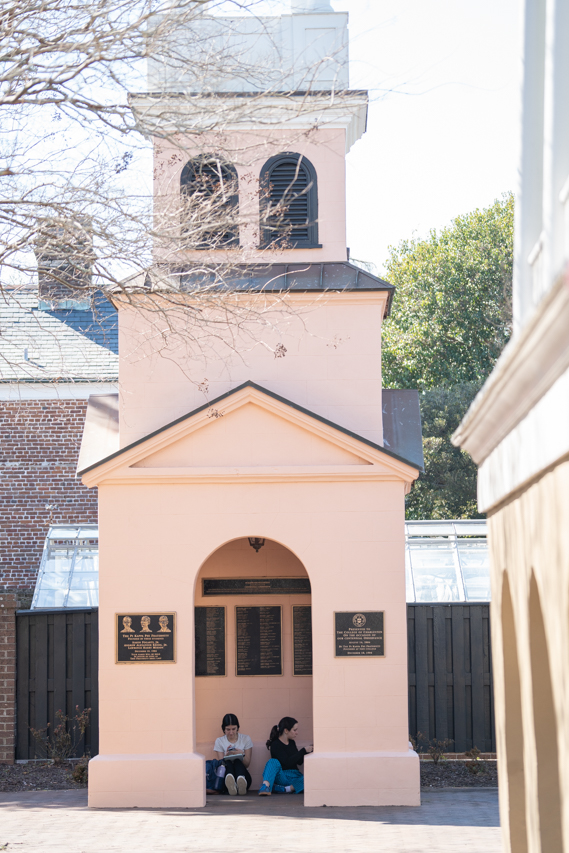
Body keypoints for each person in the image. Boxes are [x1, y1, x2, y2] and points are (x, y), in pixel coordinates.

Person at [258, 716, 313, 795]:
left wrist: (308, 751)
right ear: (286, 730)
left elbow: (299, 762)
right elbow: (287, 762)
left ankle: (285, 789)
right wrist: (303, 750)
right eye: (294, 730)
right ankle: (265, 787)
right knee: (273, 761)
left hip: (295, 777)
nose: (297, 732)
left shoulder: (292, 743)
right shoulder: (275, 745)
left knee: (310, 778)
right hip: (282, 776)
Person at [212, 713, 253, 796]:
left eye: (233, 729)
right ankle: (231, 782)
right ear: (223, 729)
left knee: (237, 760)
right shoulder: (219, 741)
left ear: (238, 727)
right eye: (228, 729)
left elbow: (247, 764)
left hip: (245, 777)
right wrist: (226, 756)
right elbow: (221, 765)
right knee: (228, 762)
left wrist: (241, 754)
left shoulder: (246, 739)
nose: (231, 732)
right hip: (226, 778)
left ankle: (240, 781)